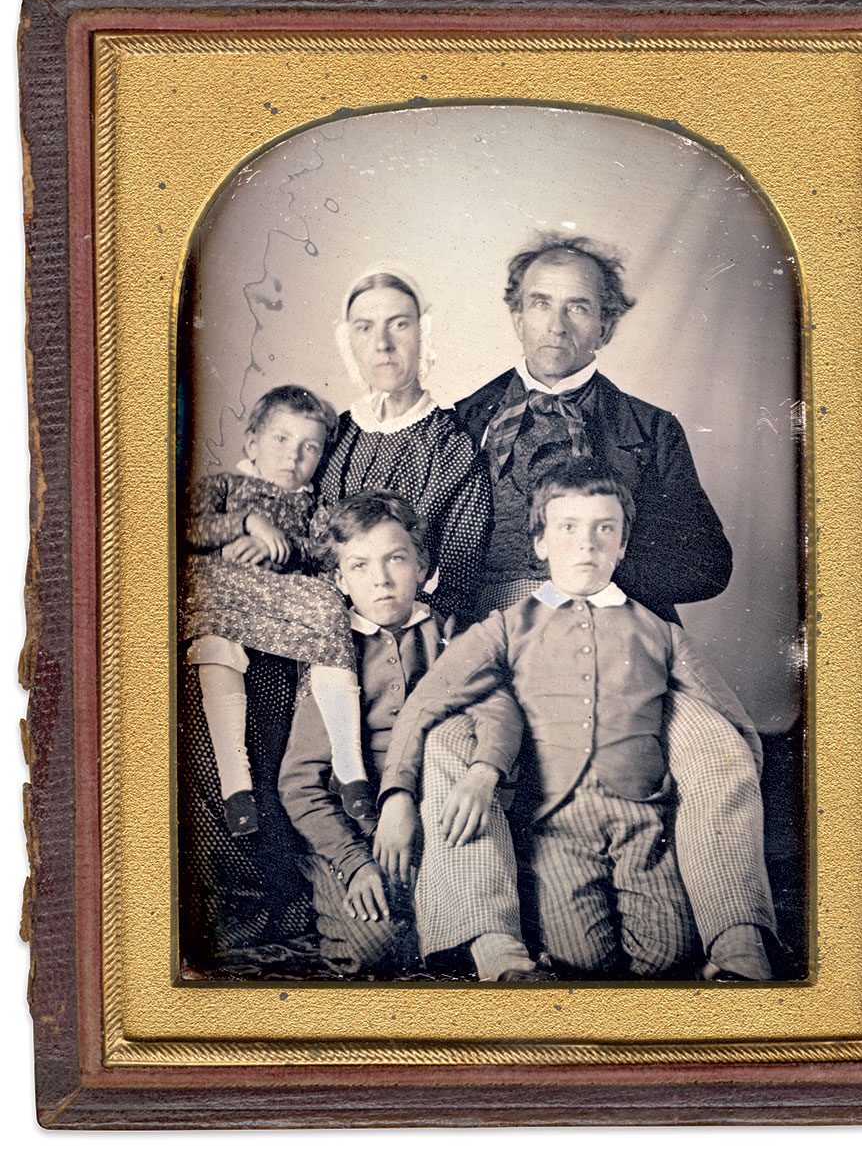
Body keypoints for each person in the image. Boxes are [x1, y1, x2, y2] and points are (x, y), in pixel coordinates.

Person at [377, 459, 776, 980]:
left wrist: (740, 778)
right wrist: (398, 793)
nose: (586, 545)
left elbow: (727, 717)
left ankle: (733, 946)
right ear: (540, 543)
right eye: (568, 528)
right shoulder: (505, 627)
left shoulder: (659, 632)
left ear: (622, 546)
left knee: (669, 956)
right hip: (555, 820)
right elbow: (427, 702)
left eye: (603, 530)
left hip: (642, 817)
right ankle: (506, 944)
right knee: (582, 960)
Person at [277, 490, 535, 980]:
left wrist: (483, 772)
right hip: (353, 830)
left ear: (422, 566)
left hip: (436, 811)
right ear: (339, 579)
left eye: (396, 559)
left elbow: (498, 711)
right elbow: (299, 783)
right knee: (373, 953)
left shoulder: (449, 633)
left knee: (465, 926)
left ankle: (482, 942)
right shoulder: (331, 651)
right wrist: (353, 862)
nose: (381, 579)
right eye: (359, 565)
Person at [454, 234, 732, 623]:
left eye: (578, 308)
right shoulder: (465, 420)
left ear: (605, 327)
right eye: (540, 304)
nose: (556, 326)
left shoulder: (651, 430)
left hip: (613, 630)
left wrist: (598, 568)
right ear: (518, 319)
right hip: (487, 629)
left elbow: (707, 568)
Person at [180, 384, 364, 836]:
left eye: (309, 448)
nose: (293, 456)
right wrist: (246, 523)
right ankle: (235, 780)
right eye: (281, 439)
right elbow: (184, 527)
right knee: (207, 608)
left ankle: (349, 760)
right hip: (228, 594)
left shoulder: (316, 506)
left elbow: (325, 552)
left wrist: (278, 549)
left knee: (328, 603)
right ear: (251, 443)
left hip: (284, 603)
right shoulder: (224, 486)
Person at [318, 270, 492, 623]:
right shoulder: (330, 435)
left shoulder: (452, 445)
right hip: (323, 624)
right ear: (348, 341)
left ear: (422, 335)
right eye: (365, 328)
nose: (382, 343)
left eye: (398, 324)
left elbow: (460, 580)